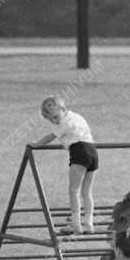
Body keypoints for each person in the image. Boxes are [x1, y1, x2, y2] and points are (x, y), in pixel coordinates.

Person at [35, 96, 97, 235]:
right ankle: (89, 223)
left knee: (73, 191)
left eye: (56, 117)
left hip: (79, 151)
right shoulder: (77, 117)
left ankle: (76, 225)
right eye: (51, 119)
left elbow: (51, 136)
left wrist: (37, 144)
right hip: (93, 152)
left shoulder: (64, 122)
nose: (55, 121)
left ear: (63, 109)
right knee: (87, 191)